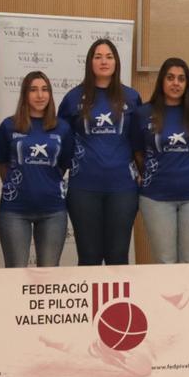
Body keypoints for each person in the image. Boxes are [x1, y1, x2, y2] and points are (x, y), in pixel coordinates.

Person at [58, 39, 142, 266]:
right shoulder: (73, 98)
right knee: (89, 257)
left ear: (116, 62)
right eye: (98, 57)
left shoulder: (132, 97)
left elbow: (139, 142)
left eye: (109, 56)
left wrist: (143, 173)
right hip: (84, 188)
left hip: (123, 188)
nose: (104, 61)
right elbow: (60, 141)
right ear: (89, 62)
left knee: (118, 256)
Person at [132, 58, 189, 264]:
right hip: (156, 197)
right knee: (165, 262)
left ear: (187, 84)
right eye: (170, 78)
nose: (175, 83)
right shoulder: (143, 113)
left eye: (181, 79)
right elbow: (138, 153)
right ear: (162, 81)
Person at [0, 71, 74, 268]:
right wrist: (19, 185)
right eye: (33, 90)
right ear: (25, 94)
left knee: (48, 276)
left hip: (53, 211)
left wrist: (45, 182)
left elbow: (63, 165)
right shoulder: (8, 126)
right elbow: (2, 164)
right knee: (15, 274)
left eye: (45, 89)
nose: (40, 95)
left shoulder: (62, 128)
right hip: (14, 211)